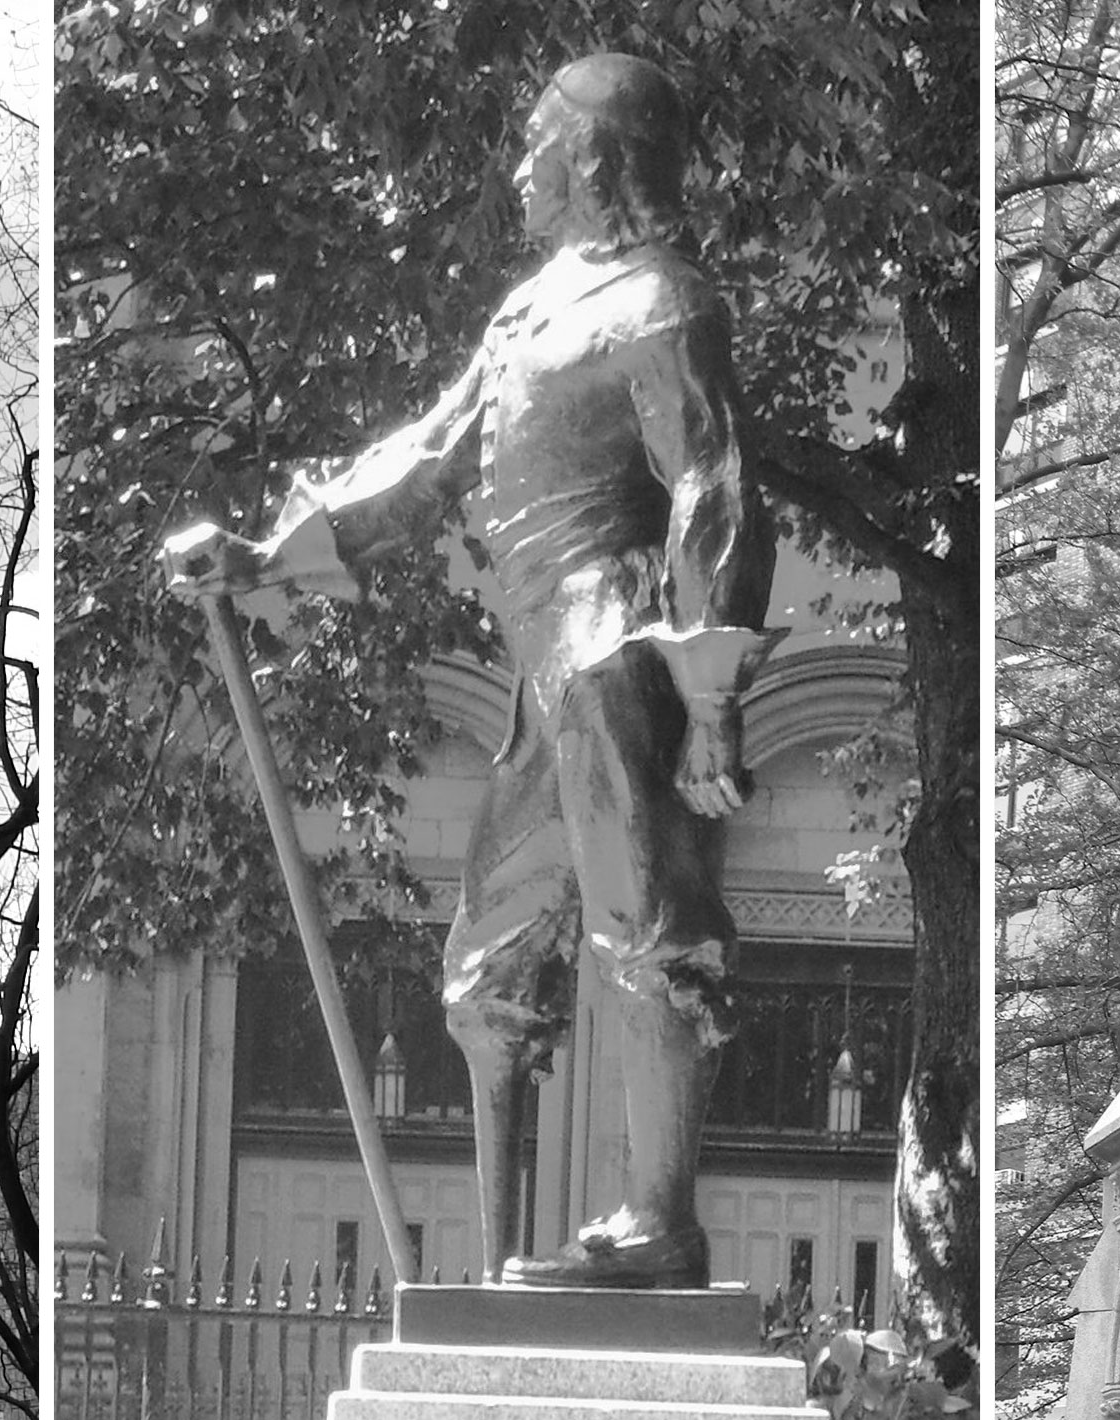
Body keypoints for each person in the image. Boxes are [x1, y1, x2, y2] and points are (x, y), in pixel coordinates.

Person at [168, 53, 778, 1290]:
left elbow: (712, 486)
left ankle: (662, 1222)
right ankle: (501, 1267)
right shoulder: (532, 308)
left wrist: (709, 696)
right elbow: (430, 451)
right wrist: (269, 551)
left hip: (612, 646)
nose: (518, 164)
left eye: (539, 140)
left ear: (594, 157)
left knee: (650, 929)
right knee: (482, 974)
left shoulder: (663, 300)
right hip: (535, 663)